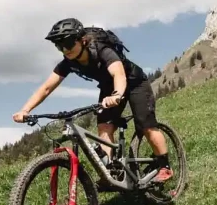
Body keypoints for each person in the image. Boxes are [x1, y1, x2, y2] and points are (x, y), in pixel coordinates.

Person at [12, 18, 173, 184]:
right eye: (59, 46)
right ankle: (110, 174)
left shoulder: (102, 50)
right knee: (104, 128)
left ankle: (164, 166)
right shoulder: (68, 62)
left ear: (82, 40)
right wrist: (25, 110)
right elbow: (46, 88)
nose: (64, 50)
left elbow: (119, 74)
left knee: (146, 125)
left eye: (67, 44)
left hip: (133, 82)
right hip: (108, 87)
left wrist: (116, 95)